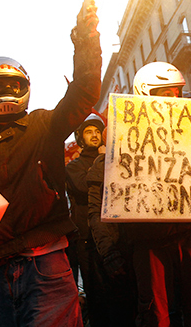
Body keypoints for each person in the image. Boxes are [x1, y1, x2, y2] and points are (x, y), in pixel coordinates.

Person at [0, 0, 102, 327]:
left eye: (12, 86)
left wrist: (86, 37)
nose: (6, 92)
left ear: (25, 90)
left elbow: (84, 92)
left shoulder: (43, 125)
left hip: (44, 260)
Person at [88, 62, 191, 327]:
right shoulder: (120, 143)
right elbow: (98, 205)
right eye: (165, 94)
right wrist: (109, 252)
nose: (174, 100)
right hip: (148, 244)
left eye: (176, 94)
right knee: (156, 316)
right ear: (145, 94)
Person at [66, 114, 137, 327]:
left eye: (98, 131)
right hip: (88, 241)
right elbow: (83, 185)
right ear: (80, 137)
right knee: (98, 298)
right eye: (89, 132)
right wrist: (102, 161)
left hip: (115, 235)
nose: (95, 135)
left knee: (124, 295)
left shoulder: (112, 157)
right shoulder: (73, 166)